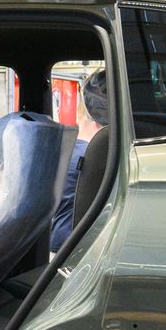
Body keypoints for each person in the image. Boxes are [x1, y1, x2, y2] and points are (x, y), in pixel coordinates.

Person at [52, 69, 110, 249]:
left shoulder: (66, 153)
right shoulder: (108, 157)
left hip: (62, 247)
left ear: (80, 115)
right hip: (82, 248)